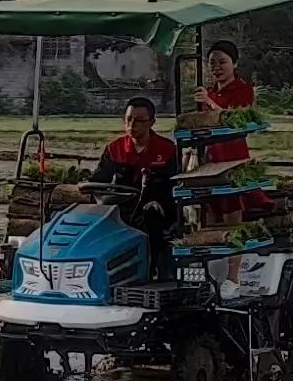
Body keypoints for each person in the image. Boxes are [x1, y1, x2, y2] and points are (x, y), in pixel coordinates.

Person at [91, 95, 182, 276]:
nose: (132, 126)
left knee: (151, 219)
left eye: (139, 121)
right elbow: (99, 180)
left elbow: (175, 184)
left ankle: (151, 272)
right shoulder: (114, 149)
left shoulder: (167, 150)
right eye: (129, 120)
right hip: (122, 207)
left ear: (152, 122)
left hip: (156, 209)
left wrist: (161, 203)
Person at [195, 40, 273, 220]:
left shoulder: (244, 90)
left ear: (235, 64)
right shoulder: (209, 92)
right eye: (212, 63)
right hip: (210, 157)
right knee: (209, 211)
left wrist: (209, 103)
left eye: (222, 62)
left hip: (233, 158)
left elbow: (234, 119)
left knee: (232, 208)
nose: (217, 67)